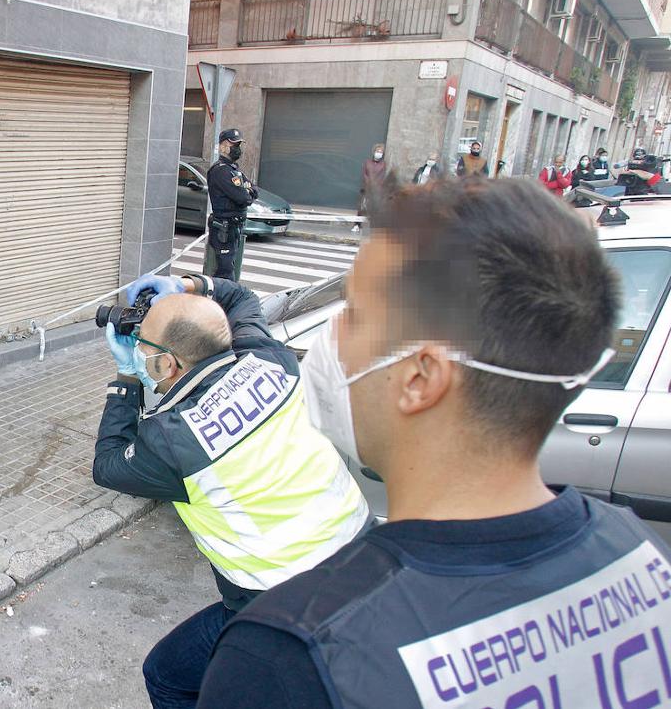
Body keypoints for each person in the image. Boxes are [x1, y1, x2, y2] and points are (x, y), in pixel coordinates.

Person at [197, 178, 671, 709]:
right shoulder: (641, 555)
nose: (328, 339)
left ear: (421, 377)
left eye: (353, 314)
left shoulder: (296, 654)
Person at [93, 273, 369, 708]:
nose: (139, 350)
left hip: (279, 598)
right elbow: (240, 296)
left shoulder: (172, 441)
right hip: (360, 553)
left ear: (167, 366)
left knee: (167, 676)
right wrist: (184, 286)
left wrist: (125, 379)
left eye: (143, 347)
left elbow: (109, 465)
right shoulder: (270, 359)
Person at [203, 129, 256, 282]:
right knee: (225, 274)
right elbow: (243, 197)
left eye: (238, 145)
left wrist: (248, 191)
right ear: (223, 146)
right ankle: (219, 304)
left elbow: (254, 190)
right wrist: (246, 191)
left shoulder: (233, 170)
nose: (237, 149)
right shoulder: (221, 171)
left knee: (230, 269)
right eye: (233, 144)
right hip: (224, 229)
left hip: (234, 228)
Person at [358, 143, 396, 216]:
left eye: (381, 152)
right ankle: (357, 225)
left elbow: (382, 176)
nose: (379, 153)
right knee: (362, 207)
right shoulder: (367, 162)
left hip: (376, 190)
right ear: (374, 152)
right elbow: (364, 174)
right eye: (377, 151)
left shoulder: (383, 164)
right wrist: (368, 183)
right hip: (366, 188)